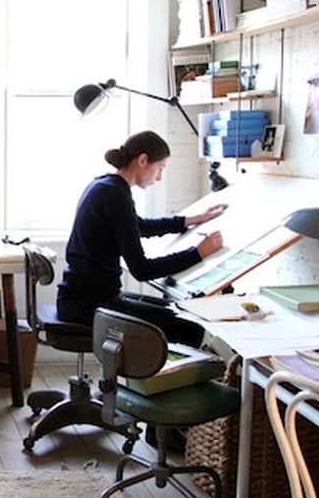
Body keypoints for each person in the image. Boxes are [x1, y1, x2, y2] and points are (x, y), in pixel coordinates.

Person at [57, 129, 226, 346]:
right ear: (143, 160)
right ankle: (167, 379)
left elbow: (138, 226)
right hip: (89, 305)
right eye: (160, 168)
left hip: (82, 299)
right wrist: (198, 253)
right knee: (189, 327)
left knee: (174, 310)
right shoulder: (115, 194)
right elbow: (142, 270)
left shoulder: (106, 186)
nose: (159, 178)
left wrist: (189, 220)